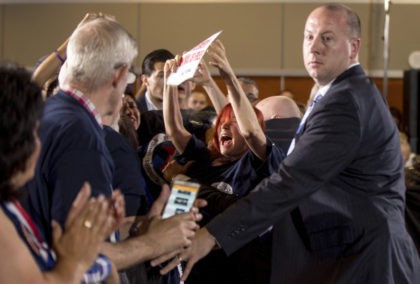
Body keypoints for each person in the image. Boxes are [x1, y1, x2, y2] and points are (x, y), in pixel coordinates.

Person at [153, 4, 420, 283]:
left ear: (353, 48)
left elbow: (290, 182)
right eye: (308, 37)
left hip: (365, 261)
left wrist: (211, 235)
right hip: (350, 254)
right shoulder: (340, 94)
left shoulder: (346, 102)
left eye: (327, 38)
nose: (314, 47)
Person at [25, 15, 202, 277]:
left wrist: (140, 225)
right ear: (119, 75)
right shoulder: (80, 135)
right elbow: (79, 255)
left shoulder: (50, 113)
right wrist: (155, 242)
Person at [162, 40, 284, 284]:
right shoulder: (204, 158)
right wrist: (169, 84)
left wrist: (227, 74)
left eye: (235, 123)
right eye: (223, 123)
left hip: (234, 271)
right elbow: (175, 129)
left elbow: (251, 133)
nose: (226, 125)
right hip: (189, 268)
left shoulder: (259, 162)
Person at [0, 62, 123, 283]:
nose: (39, 144)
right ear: (16, 141)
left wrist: (85, 237)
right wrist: (73, 261)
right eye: (36, 133)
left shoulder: (9, 204)